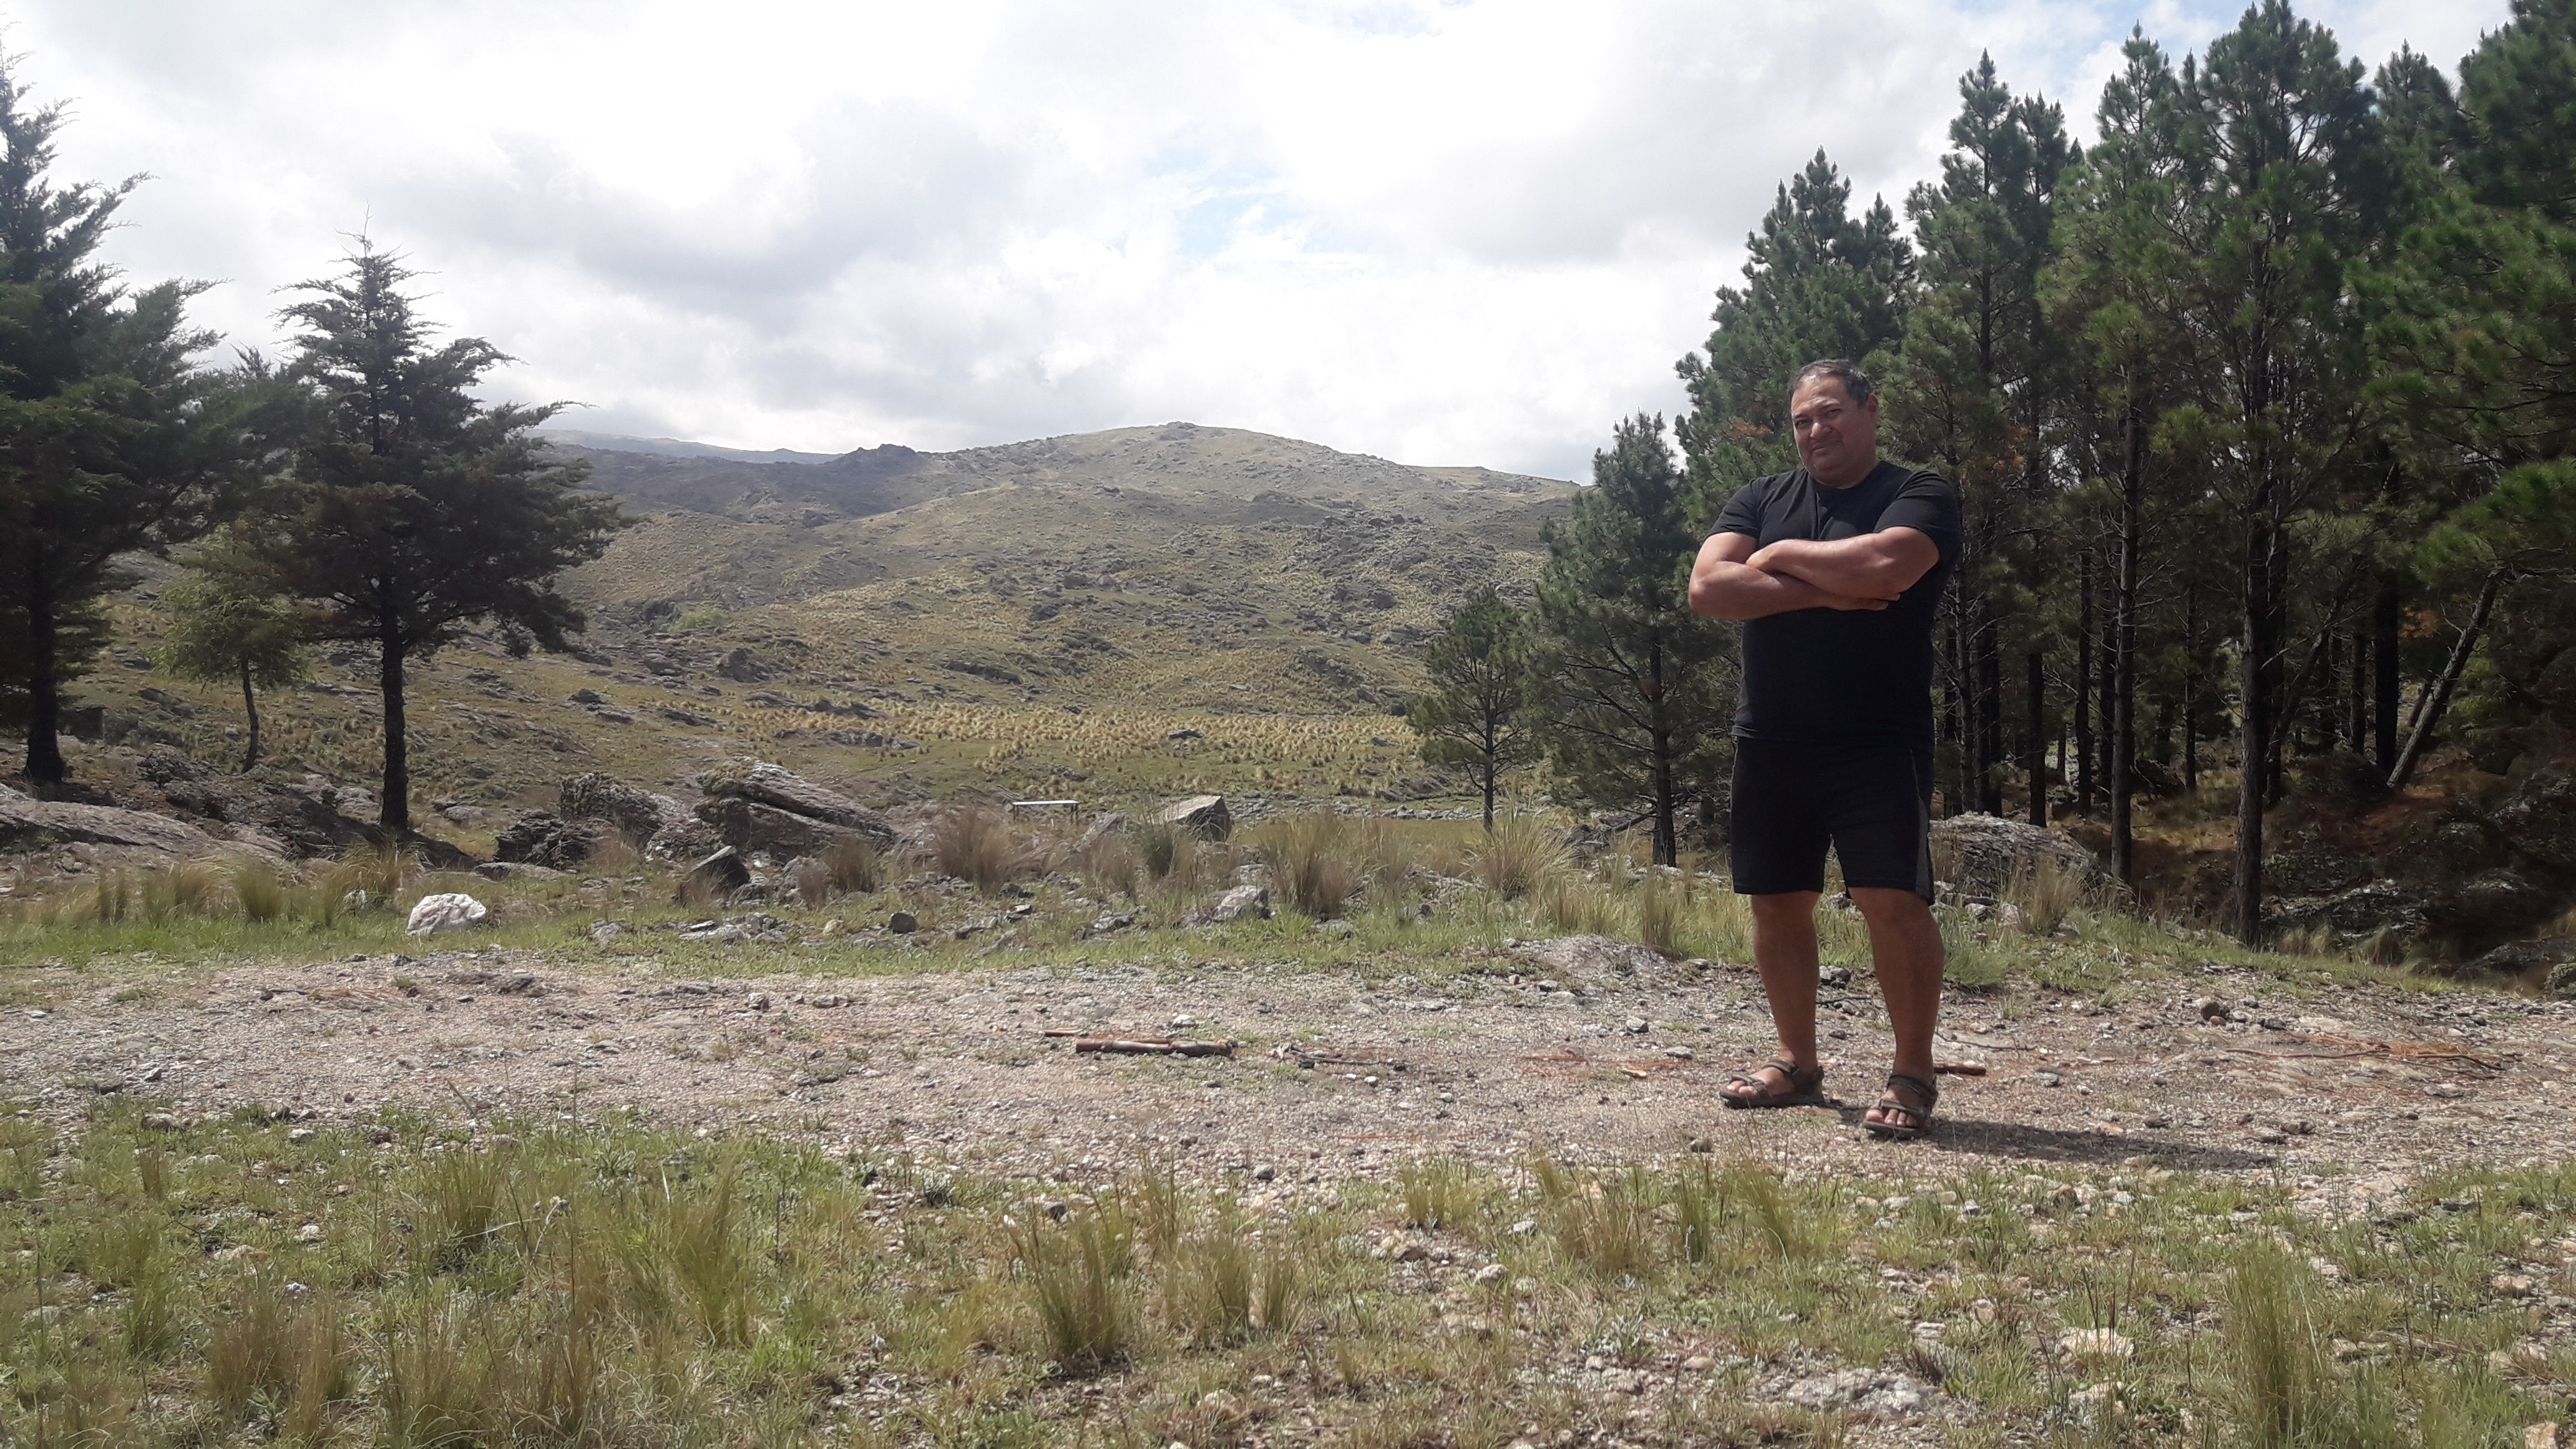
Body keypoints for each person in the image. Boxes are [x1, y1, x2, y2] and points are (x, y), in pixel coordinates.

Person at [1685, 358, 1960, 1139]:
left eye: (1831, 412)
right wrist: (1830, 590)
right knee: (1777, 900)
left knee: (1891, 901)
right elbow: (1708, 590)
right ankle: (1797, 1063)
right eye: (1803, 420)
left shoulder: (1919, 492)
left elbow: (1887, 565)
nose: (1815, 430)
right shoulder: (1760, 497)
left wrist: (1772, 558)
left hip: (1878, 736)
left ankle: (1913, 1073)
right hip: (1772, 736)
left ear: (1871, 410)